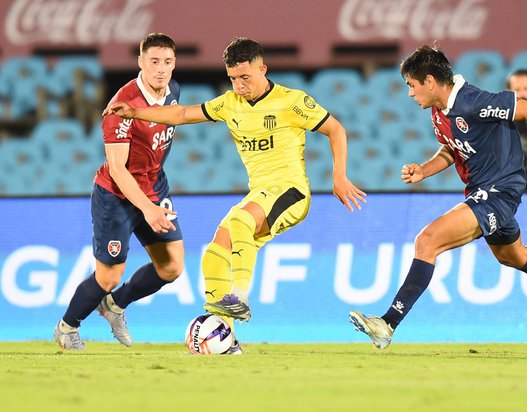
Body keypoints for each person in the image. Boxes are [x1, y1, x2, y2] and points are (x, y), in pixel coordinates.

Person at [104, 37, 366, 352]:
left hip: (291, 191)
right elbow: (182, 114)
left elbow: (335, 129)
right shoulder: (230, 104)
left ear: (262, 70)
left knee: (241, 220)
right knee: (215, 252)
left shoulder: (292, 101)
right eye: (232, 79)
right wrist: (135, 112)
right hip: (260, 194)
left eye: (245, 78)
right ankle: (225, 337)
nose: (239, 86)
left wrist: (339, 176)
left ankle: (239, 296)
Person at [349, 45, 527, 349]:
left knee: (427, 241)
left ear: (430, 81)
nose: (410, 93)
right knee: (512, 255)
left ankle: (387, 323)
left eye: (412, 85)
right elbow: (452, 147)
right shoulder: (439, 111)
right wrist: (424, 170)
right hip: (482, 191)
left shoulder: (473, 102)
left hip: (498, 191)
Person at [54, 33, 188, 351]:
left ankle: (114, 306)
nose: (161, 69)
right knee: (109, 277)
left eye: (167, 62)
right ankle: (67, 327)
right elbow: (117, 168)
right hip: (116, 195)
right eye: (154, 61)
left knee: (171, 267)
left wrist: (153, 200)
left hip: (154, 185)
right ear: (140, 62)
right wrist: (148, 209)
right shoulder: (121, 107)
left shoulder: (174, 90)